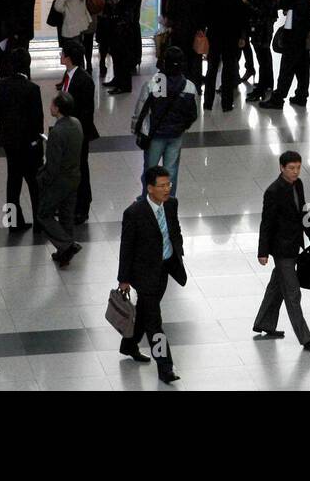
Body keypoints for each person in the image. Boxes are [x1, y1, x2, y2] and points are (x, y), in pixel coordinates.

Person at [117, 166, 187, 384]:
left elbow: (174, 229)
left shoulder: (171, 204)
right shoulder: (134, 213)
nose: (167, 189)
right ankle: (165, 367)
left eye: (169, 184)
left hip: (164, 268)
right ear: (149, 188)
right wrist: (124, 279)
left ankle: (129, 344)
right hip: (144, 273)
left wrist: (179, 250)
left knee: (146, 311)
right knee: (154, 321)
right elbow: (126, 247)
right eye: (162, 186)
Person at [253, 150, 310, 350]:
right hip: (281, 249)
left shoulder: (298, 185)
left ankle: (264, 323)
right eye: (291, 168)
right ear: (281, 168)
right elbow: (266, 223)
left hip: (294, 245)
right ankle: (306, 337)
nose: (295, 172)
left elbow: (303, 211)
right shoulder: (273, 191)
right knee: (292, 292)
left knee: (277, 286)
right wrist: (263, 251)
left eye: (298, 168)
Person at [132, 46, 199, 196]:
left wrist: (136, 129)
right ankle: (169, 201)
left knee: (151, 170)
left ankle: (147, 200)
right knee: (171, 171)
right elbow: (193, 114)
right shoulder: (188, 86)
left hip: (155, 135)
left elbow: (141, 109)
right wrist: (182, 127)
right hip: (176, 135)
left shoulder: (155, 83)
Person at [0, 51, 43, 232]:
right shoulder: (32, 89)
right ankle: (39, 221)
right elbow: (38, 120)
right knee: (34, 184)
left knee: (12, 182)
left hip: (9, 141)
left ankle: (13, 222)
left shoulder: (0, 85)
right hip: (29, 144)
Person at [259, 0, 310, 109]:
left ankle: (278, 98)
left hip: (294, 33)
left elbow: (286, 3)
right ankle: (301, 95)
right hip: (306, 32)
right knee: (303, 65)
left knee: (287, 66)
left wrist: (280, 0)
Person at [36, 92, 84, 268]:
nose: (50, 107)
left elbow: (53, 164)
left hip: (60, 181)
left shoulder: (57, 132)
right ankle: (64, 254)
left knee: (43, 214)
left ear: (57, 108)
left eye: (52, 104)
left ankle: (67, 245)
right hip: (74, 177)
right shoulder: (76, 124)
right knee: (66, 216)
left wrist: (43, 179)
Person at [58, 41, 99, 223]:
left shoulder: (83, 80)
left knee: (80, 169)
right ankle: (69, 204)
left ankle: (82, 207)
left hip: (78, 132)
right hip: (67, 130)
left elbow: (86, 111)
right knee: (69, 169)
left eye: (63, 53)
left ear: (69, 57)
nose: (61, 56)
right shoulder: (68, 76)